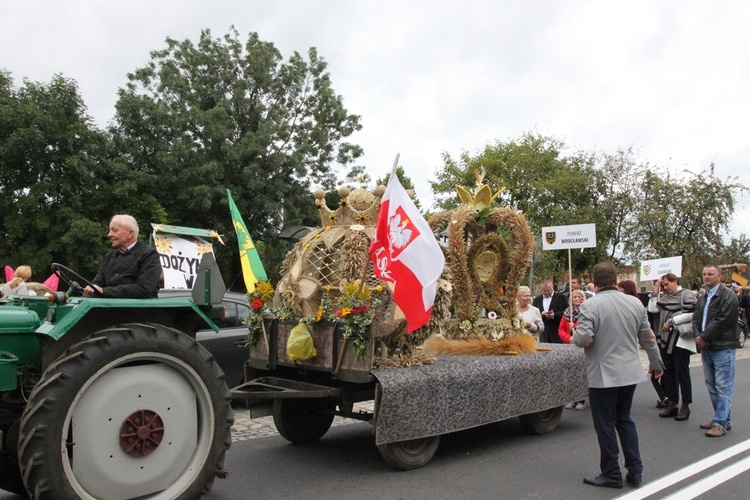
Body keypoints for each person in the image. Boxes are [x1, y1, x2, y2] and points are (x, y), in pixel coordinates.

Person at [573, 262, 664, 489]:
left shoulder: (590, 306)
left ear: (595, 281)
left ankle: (611, 472)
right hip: (630, 371)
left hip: (603, 374)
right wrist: (656, 362)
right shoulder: (635, 303)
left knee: (605, 424)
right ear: (615, 279)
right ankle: (635, 469)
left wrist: (577, 334)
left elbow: (583, 339)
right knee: (625, 419)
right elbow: (648, 337)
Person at [693, 264, 740, 437]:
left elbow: (723, 320)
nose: (707, 277)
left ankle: (720, 423)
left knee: (723, 386)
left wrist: (704, 337)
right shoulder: (702, 298)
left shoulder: (728, 296)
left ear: (719, 276)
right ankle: (721, 418)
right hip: (707, 348)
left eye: (710, 274)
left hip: (723, 347)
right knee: (712, 386)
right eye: (704, 274)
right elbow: (695, 318)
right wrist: (699, 336)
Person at [647, 273, 696, 421]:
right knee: (669, 373)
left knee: (682, 373)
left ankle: (685, 405)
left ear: (675, 282)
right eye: (663, 285)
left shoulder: (686, 294)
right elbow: (653, 309)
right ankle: (672, 403)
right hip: (665, 338)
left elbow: (692, 312)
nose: (665, 288)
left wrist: (673, 320)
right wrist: (656, 290)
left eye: (667, 284)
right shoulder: (665, 297)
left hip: (680, 339)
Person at [83, 215, 162, 298]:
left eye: (114, 230)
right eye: (110, 230)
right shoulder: (109, 257)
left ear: (130, 233)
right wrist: (91, 288)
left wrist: (104, 291)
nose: (109, 234)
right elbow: (97, 283)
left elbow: (144, 289)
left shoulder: (149, 255)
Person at [618, 279, 668, 408]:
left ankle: (666, 396)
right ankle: (664, 396)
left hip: (655, 337)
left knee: (660, 371)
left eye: (621, 288)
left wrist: (656, 290)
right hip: (645, 340)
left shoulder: (636, 304)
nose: (618, 291)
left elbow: (647, 335)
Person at [559, 289, 587, 410]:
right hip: (569, 345)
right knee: (569, 373)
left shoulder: (586, 311)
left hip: (581, 346)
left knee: (580, 373)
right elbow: (561, 329)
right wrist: (568, 338)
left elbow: (586, 327)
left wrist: (574, 327)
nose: (576, 299)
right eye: (574, 297)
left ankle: (581, 399)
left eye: (579, 297)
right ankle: (571, 398)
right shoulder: (567, 313)